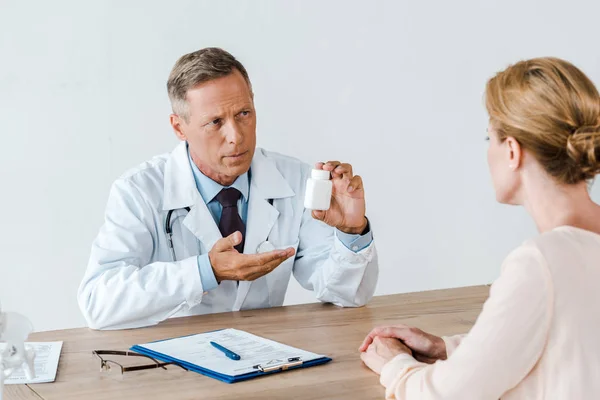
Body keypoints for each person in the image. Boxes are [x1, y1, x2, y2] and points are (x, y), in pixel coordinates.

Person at [77, 47, 378, 330]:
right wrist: (204, 270)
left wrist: (351, 233)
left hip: (268, 359)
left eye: (243, 114)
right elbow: (98, 303)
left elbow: (348, 295)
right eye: (215, 122)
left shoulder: (296, 179)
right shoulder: (139, 192)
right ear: (179, 127)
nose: (236, 136)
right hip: (174, 369)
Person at [359, 57, 600, 399]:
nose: (488, 151)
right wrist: (447, 347)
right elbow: (563, 343)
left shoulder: (542, 263)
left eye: (490, 138)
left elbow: (447, 395)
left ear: (513, 151)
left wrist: (395, 363)